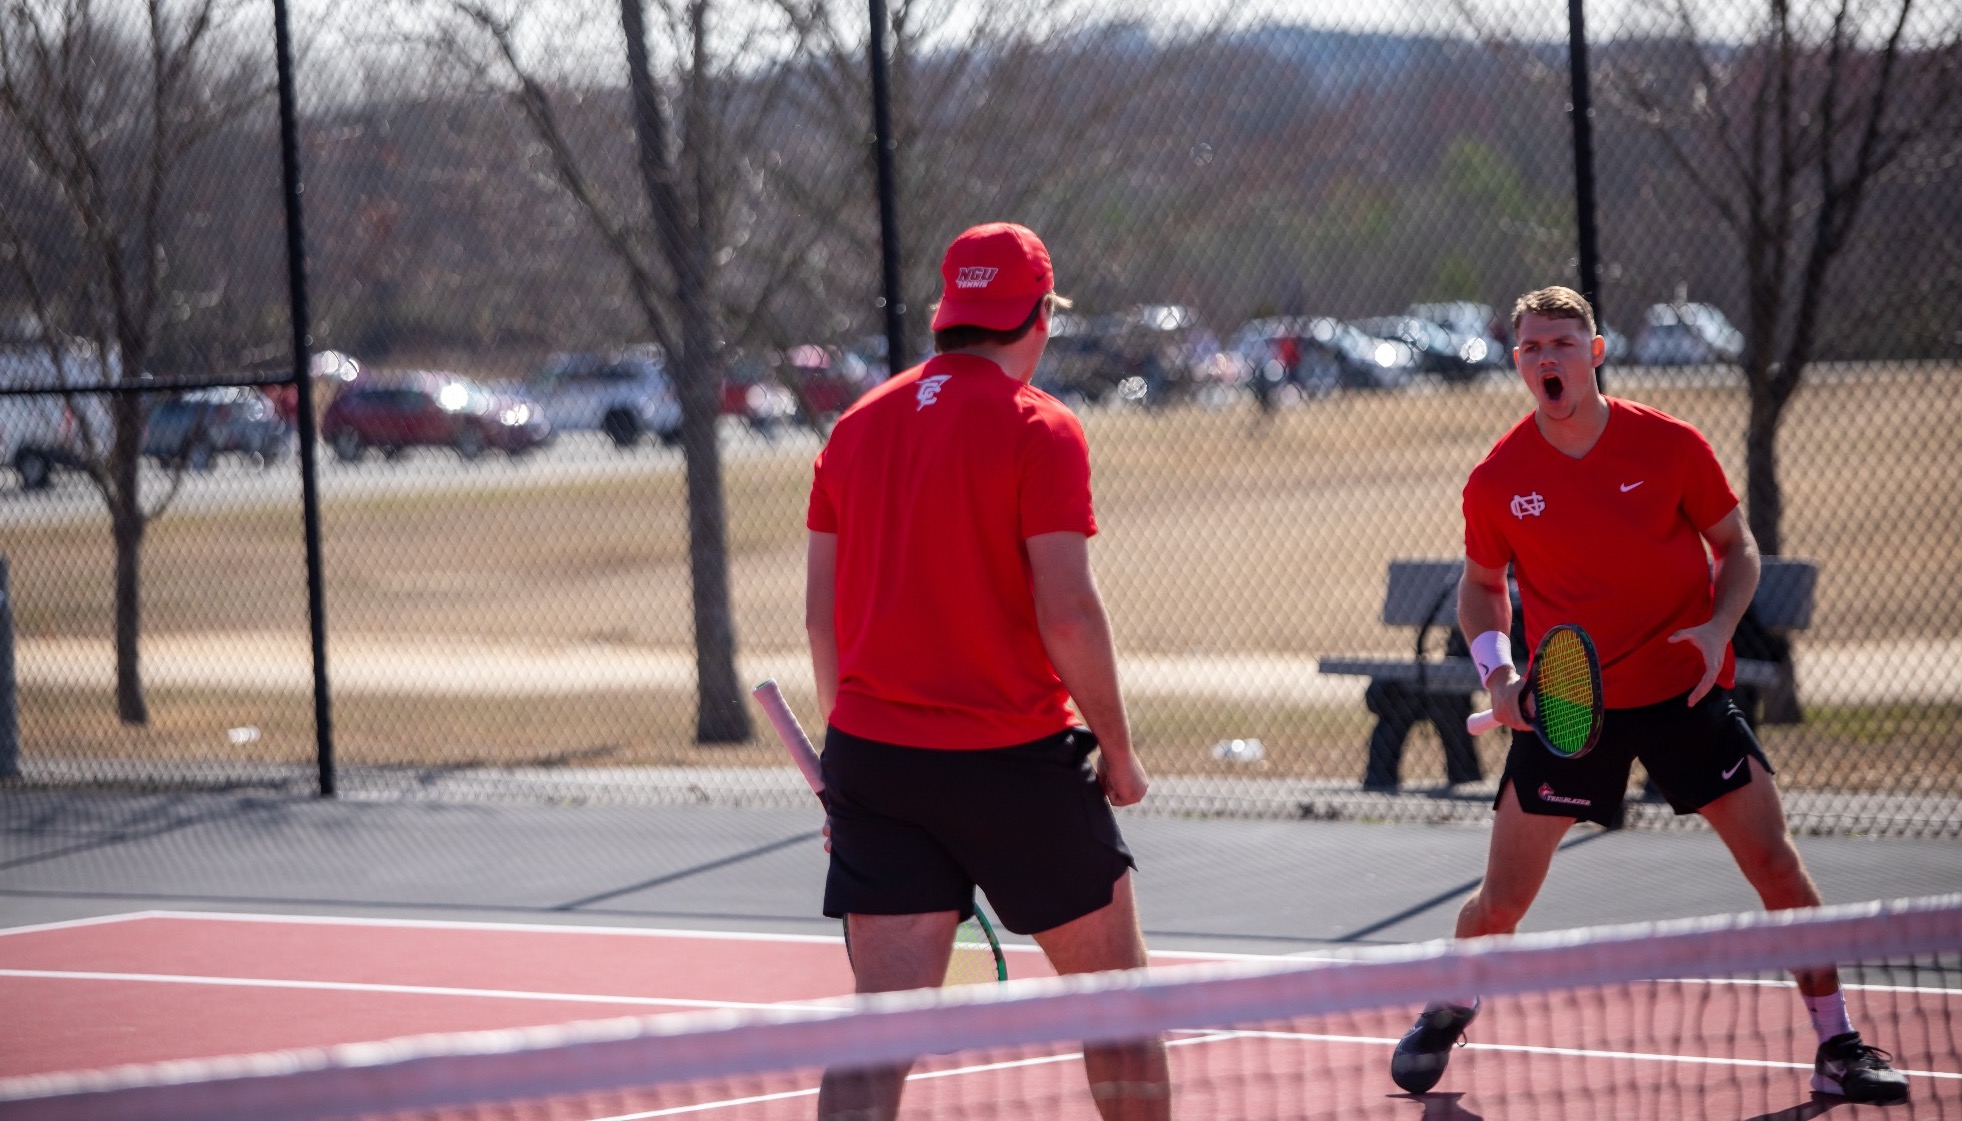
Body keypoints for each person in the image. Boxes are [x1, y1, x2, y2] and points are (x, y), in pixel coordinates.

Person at [1388, 286, 1908, 1105]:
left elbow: (1736, 547)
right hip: (1570, 706)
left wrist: (1719, 629)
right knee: (1502, 901)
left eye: (1563, 343)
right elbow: (1482, 588)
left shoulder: (1669, 445)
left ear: (1595, 353)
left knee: (1776, 865)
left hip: (1681, 691)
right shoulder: (1497, 478)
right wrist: (1499, 675)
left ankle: (1837, 1042)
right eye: (1532, 347)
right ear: (1517, 361)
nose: (1547, 359)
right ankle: (1453, 1000)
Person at [805, 222, 1170, 1121]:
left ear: (948, 312)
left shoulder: (853, 426)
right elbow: (1068, 611)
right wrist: (1120, 751)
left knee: (877, 1036)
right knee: (1121, 1012)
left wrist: (845, 772)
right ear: (1042, 313)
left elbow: (822, 618)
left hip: (875, 764)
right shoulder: (1041, 426)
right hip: (1012, 761)